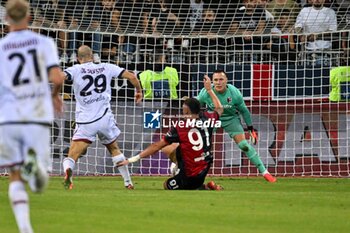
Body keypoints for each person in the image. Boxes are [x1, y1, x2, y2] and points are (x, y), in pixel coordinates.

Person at [0, 0, 64, 233]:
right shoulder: (44, 42)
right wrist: (55, 96)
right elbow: (57, 78)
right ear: (30, 17)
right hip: (37, 114)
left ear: (6, 19)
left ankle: (25, 229)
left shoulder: (1, 47)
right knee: (38, 184)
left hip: (9, 117)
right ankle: (33, 166)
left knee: (13, 175)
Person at [118, 76, 224, 190]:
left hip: (190, 175)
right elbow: (219, 109)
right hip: (205, 167)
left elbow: (156, 146)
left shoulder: (180, 127)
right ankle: (204, 184)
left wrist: (131, 159)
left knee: (167, 184)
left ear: (187, 111)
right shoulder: (208, 119)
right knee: (175, 147)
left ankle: (201, 185)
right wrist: (209, 90)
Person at [62, 45, 143, 190]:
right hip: (105, 118)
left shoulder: (75, 69)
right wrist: (138, 91)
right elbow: (131, 76)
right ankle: (128, 182)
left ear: (78, 58)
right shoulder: (106, 67)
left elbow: (60, 77)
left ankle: (69, 173)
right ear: (92, 56)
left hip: (86, 120)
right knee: (114, 149)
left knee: (72, 154)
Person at [196, 70, 277, 183]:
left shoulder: (234, 93)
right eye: (215, 80)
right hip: (212, 119)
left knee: (244, 145)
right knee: (201, 147)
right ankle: (192, 173)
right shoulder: (206, 92)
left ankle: (265, 173)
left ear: (226, 81)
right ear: (212, 81)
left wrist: (250, 129)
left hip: (230, 119)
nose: (218, 83)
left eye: (221, 79)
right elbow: (195, 103)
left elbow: (244, 111)